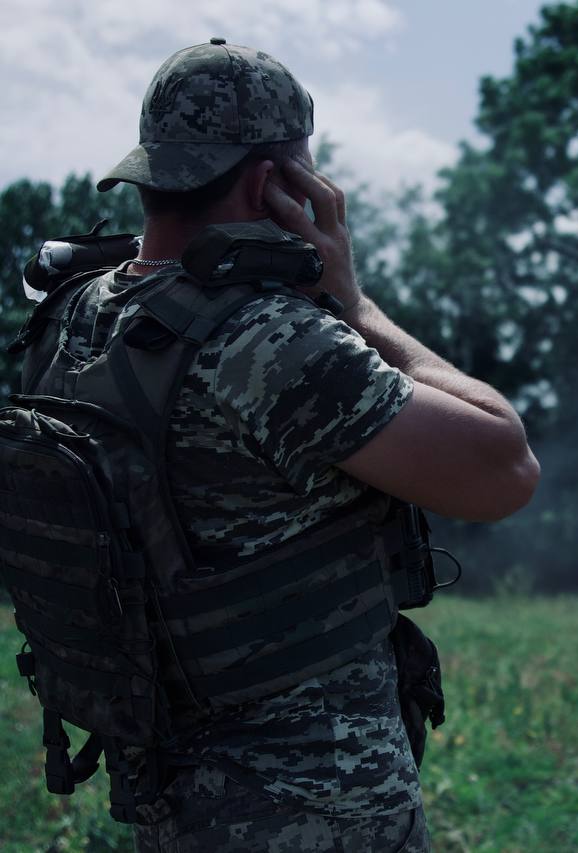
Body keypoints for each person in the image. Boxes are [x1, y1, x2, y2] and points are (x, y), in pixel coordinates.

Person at [48, 39, 538, 851]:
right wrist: (353, 300)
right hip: (313, 811)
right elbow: (504, 468)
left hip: (164, 794)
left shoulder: (70, 318)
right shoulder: (267, 343)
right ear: (275, 184)